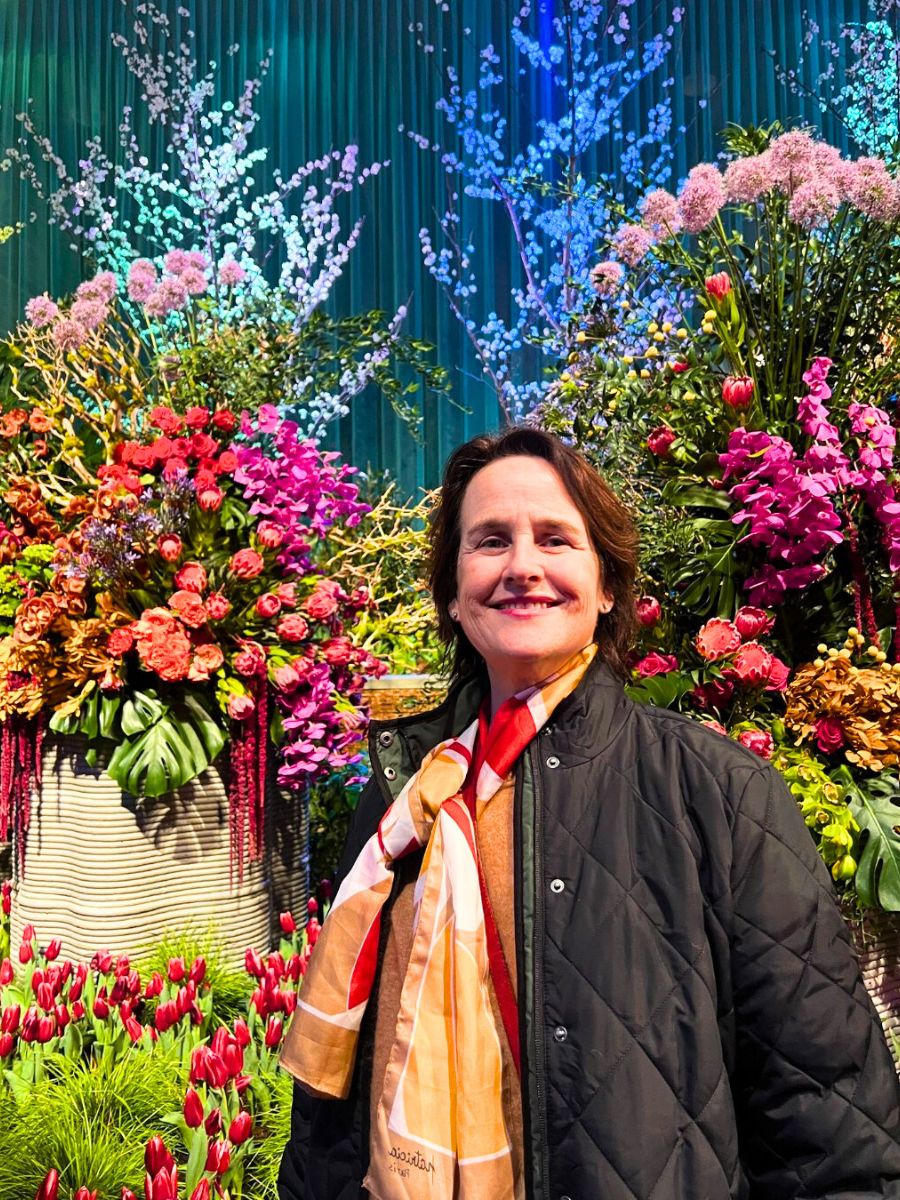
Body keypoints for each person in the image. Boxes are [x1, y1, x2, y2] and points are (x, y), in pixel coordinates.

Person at [278, 427, 900, 1200]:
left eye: (555, 539)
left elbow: (828, 1119)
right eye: (491, 541)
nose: (523, 568)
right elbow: (335, 1100)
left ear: (606, 585)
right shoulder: (407, 790)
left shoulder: (718, 794)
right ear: (452, 588)